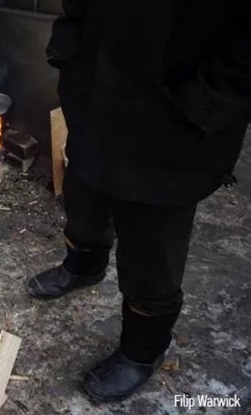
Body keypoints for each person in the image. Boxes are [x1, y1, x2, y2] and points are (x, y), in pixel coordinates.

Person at [28, 0, 251, 402]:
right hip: (98, 89)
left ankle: (142, 349)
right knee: (84, 195)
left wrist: (207, 99)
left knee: (152, 242)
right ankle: (83, 265)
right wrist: (70, 51)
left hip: (175, 113)